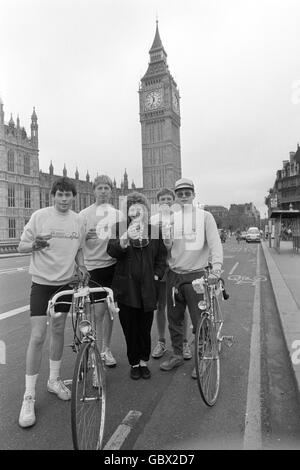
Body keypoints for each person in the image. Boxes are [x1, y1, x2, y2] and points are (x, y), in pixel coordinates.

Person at [18, 177, 89, 428]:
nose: (63, 198)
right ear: (52, 196)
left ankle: (54, 380)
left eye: (68, 195)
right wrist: (33, 245)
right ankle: (28, 395)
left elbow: (79, 249)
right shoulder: (40, 216)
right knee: (38, 336)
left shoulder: (79, 220)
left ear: (73, 197)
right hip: (41, 283)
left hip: (65, 284)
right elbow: (21, 246)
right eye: (59, 194)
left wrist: (81, 266)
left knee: (59, 330)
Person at [159, 178, 223, 378]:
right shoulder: (170, 218)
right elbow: (167, 249)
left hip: (197, 275)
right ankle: (177, 354)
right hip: (174, 275)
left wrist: (217, 269)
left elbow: (215, 243)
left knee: (199, 320)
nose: (184, 196)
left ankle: (203, 357)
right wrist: (167, 242)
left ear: (194, 195)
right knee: (174, 319)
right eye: (180, 193)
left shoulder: (205, 217)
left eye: (188, 193)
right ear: (176, 197)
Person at [107, 192, 167, 380]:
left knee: (144, 326)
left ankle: (143, 361)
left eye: (139, 207)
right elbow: (112, 251)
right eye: (132, 208)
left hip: (148, 287)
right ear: (128, 212)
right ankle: (134, 362)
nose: (135, 211)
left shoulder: (154, 230)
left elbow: (161, 258)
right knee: (129, 327)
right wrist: (125, 238)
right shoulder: (118, 227)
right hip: (126, 287)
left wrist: (157, 276)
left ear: (146, 210)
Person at [79, 175, 124, 367]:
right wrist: (84, 237)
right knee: (98, 312)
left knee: (110, 311)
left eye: (107, 188)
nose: (103, 191)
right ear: (93, 190)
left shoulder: (119, 215)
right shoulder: (83, 215)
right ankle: (93, 350)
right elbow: (76, 243)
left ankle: (106, 349)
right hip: (94, 267)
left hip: (113, 267)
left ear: (111, 191)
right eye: (100, 188)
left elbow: (124, 242)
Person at [150, 188, 192, 360]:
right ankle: (161, 341)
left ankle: (184, 342)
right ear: (158, 202)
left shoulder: (180, 218)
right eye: (163, 199)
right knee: (160, 307)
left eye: (169, 199)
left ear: (173, 201)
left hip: (176, 267)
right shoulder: (153, 220)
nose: (166, 202)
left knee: (181, 307)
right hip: (161, 268)